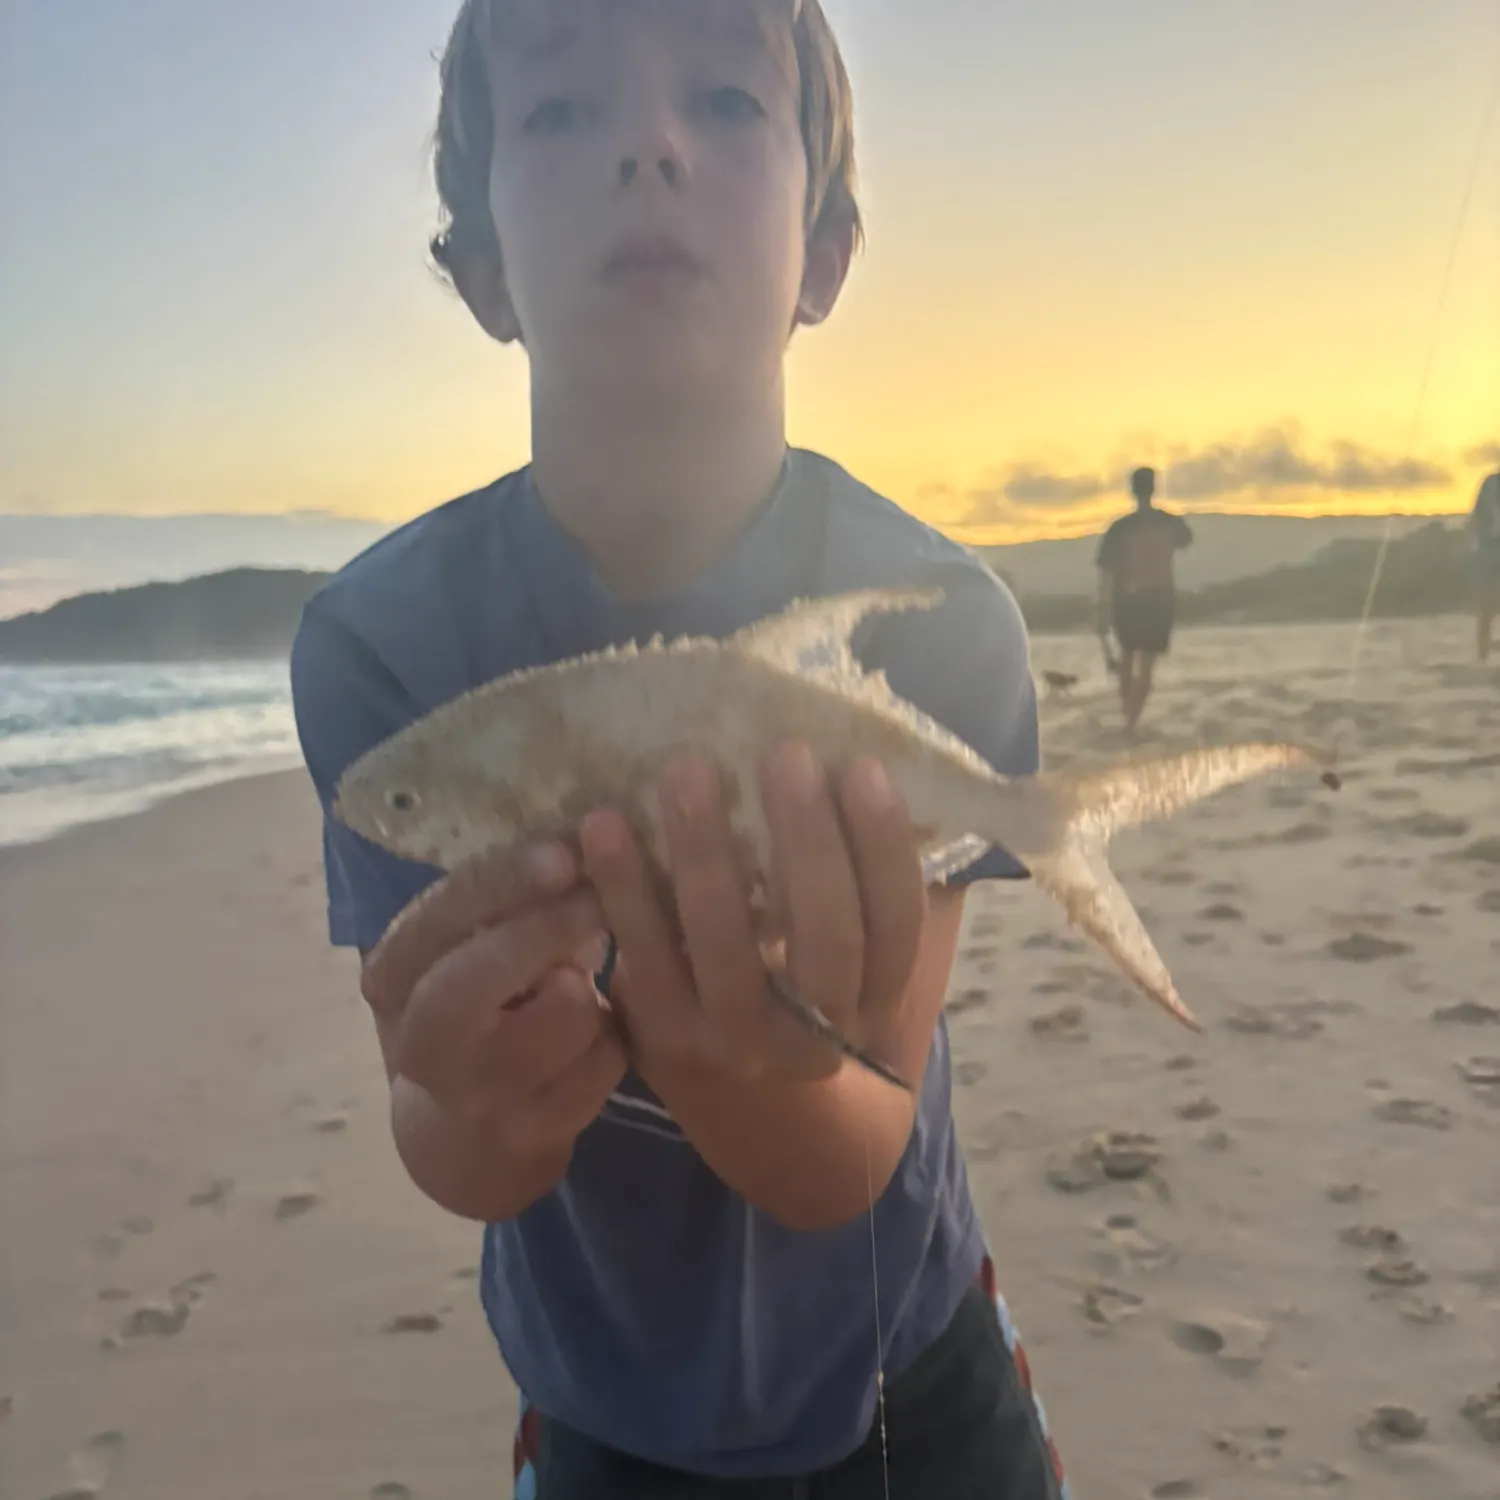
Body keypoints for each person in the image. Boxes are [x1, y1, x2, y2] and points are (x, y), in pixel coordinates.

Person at [289, 2, 1070, 1497]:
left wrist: (752, 1070)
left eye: (721, 99)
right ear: (480, 268)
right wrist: (453, 1100)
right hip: (600, 1406)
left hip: (913, 1381)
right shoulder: (378, 647)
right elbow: (468, 1154)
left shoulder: (943, 622)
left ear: (826, 251)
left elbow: (852, 1145)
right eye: (565, 113)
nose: (648, 146)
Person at [1095, 465, 1193, 731]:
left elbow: (1107, 572)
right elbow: (1186, 540)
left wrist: (1101, 611)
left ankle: (1128, 714)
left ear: (1131, 491)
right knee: (1147, 664)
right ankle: (1131, 721)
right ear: (1154, 488)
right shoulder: (1170, 523)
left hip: (1127, 599)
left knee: (1127, 657)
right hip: (1160, 599)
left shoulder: (1119, 528)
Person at [1467, 468, 1500, 663]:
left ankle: (1484, 655)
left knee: (1487, 608)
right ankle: (1482, 656)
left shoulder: (1490, 483)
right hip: (1489, 548)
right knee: (1487, 607)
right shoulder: (1490, 483)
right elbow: (1477, 516)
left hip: (1488, 548)